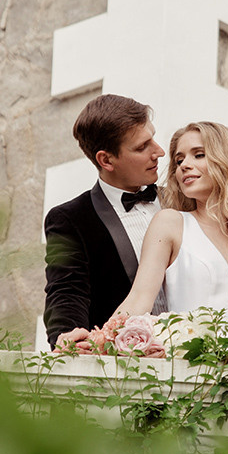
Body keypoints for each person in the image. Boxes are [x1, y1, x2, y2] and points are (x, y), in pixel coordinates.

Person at [113, 122, 228, 352]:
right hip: (191, 371)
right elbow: (138, 301)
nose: (184, 165)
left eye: (199, 155)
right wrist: (96, 342)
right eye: (179, 161)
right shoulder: (171, 223)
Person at [43, 94, 166, 346]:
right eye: (142, 147)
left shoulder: (185, 201)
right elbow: (67, 290)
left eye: (153, 138)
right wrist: (68, 336)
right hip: (125, 362)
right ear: (106, 160)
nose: (159, 152)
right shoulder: (70, 219)